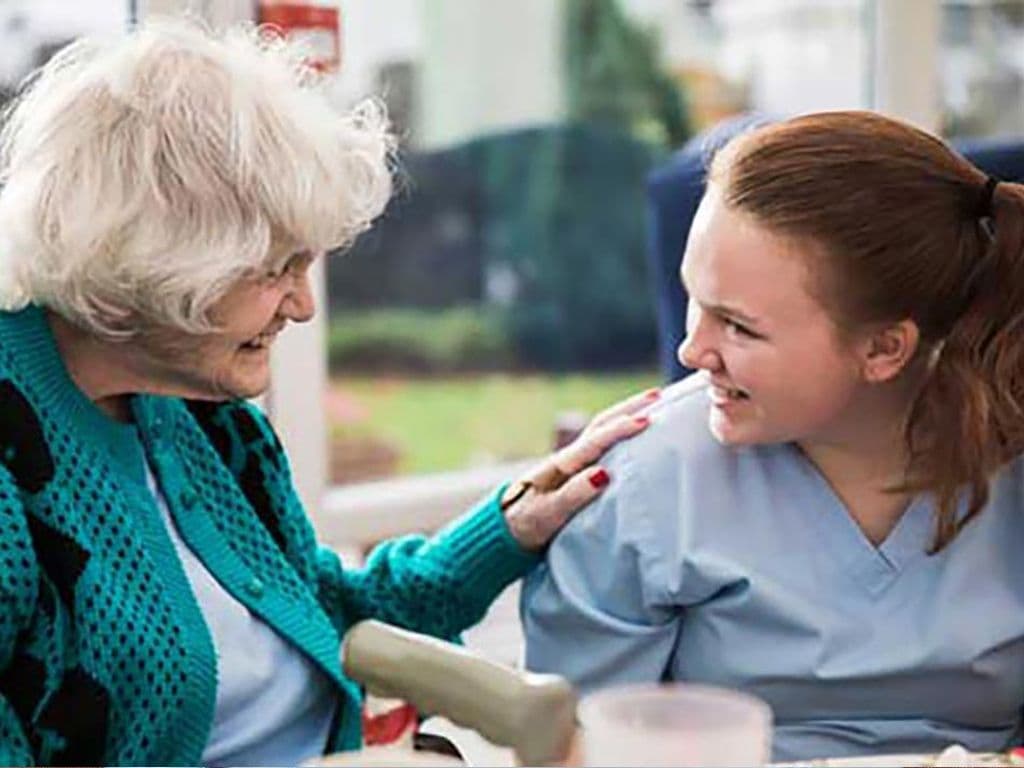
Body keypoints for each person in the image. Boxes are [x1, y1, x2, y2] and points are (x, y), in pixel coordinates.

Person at [0, 20, 656, 767]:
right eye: (275, 269)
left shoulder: (200, 415)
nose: (302, 306)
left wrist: (512, 524)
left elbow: (314, 613)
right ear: (155, 263)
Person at [522, 110, 1024, 763]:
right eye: (694, 303)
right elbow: (572, 746)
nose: (690, 348)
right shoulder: (645, 485)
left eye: (738, 326)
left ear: (883, 348)